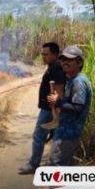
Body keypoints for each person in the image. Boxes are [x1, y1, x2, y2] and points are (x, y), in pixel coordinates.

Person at [19, 42, 65, 174]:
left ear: (55, 54)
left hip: (49, 109)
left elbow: (59, 92)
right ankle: (53, 163)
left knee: (39, 135)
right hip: (49, 108)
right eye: (42, 54)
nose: (43, 57)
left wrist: (57, 109)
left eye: (46, 54)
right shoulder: (53, 66)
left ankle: (33, 164)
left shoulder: (56, 68)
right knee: (53, 136)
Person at [47, 46, 92, 166]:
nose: (65, 62)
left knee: (55, 166)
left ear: (80, 62)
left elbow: (77, 109)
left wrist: (58, 102)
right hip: (64, 131)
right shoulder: (72, 80)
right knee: (65, 165)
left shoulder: (79, 82)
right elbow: (70, 105)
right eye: (63, 59)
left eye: (69, 59)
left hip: (68, 134)